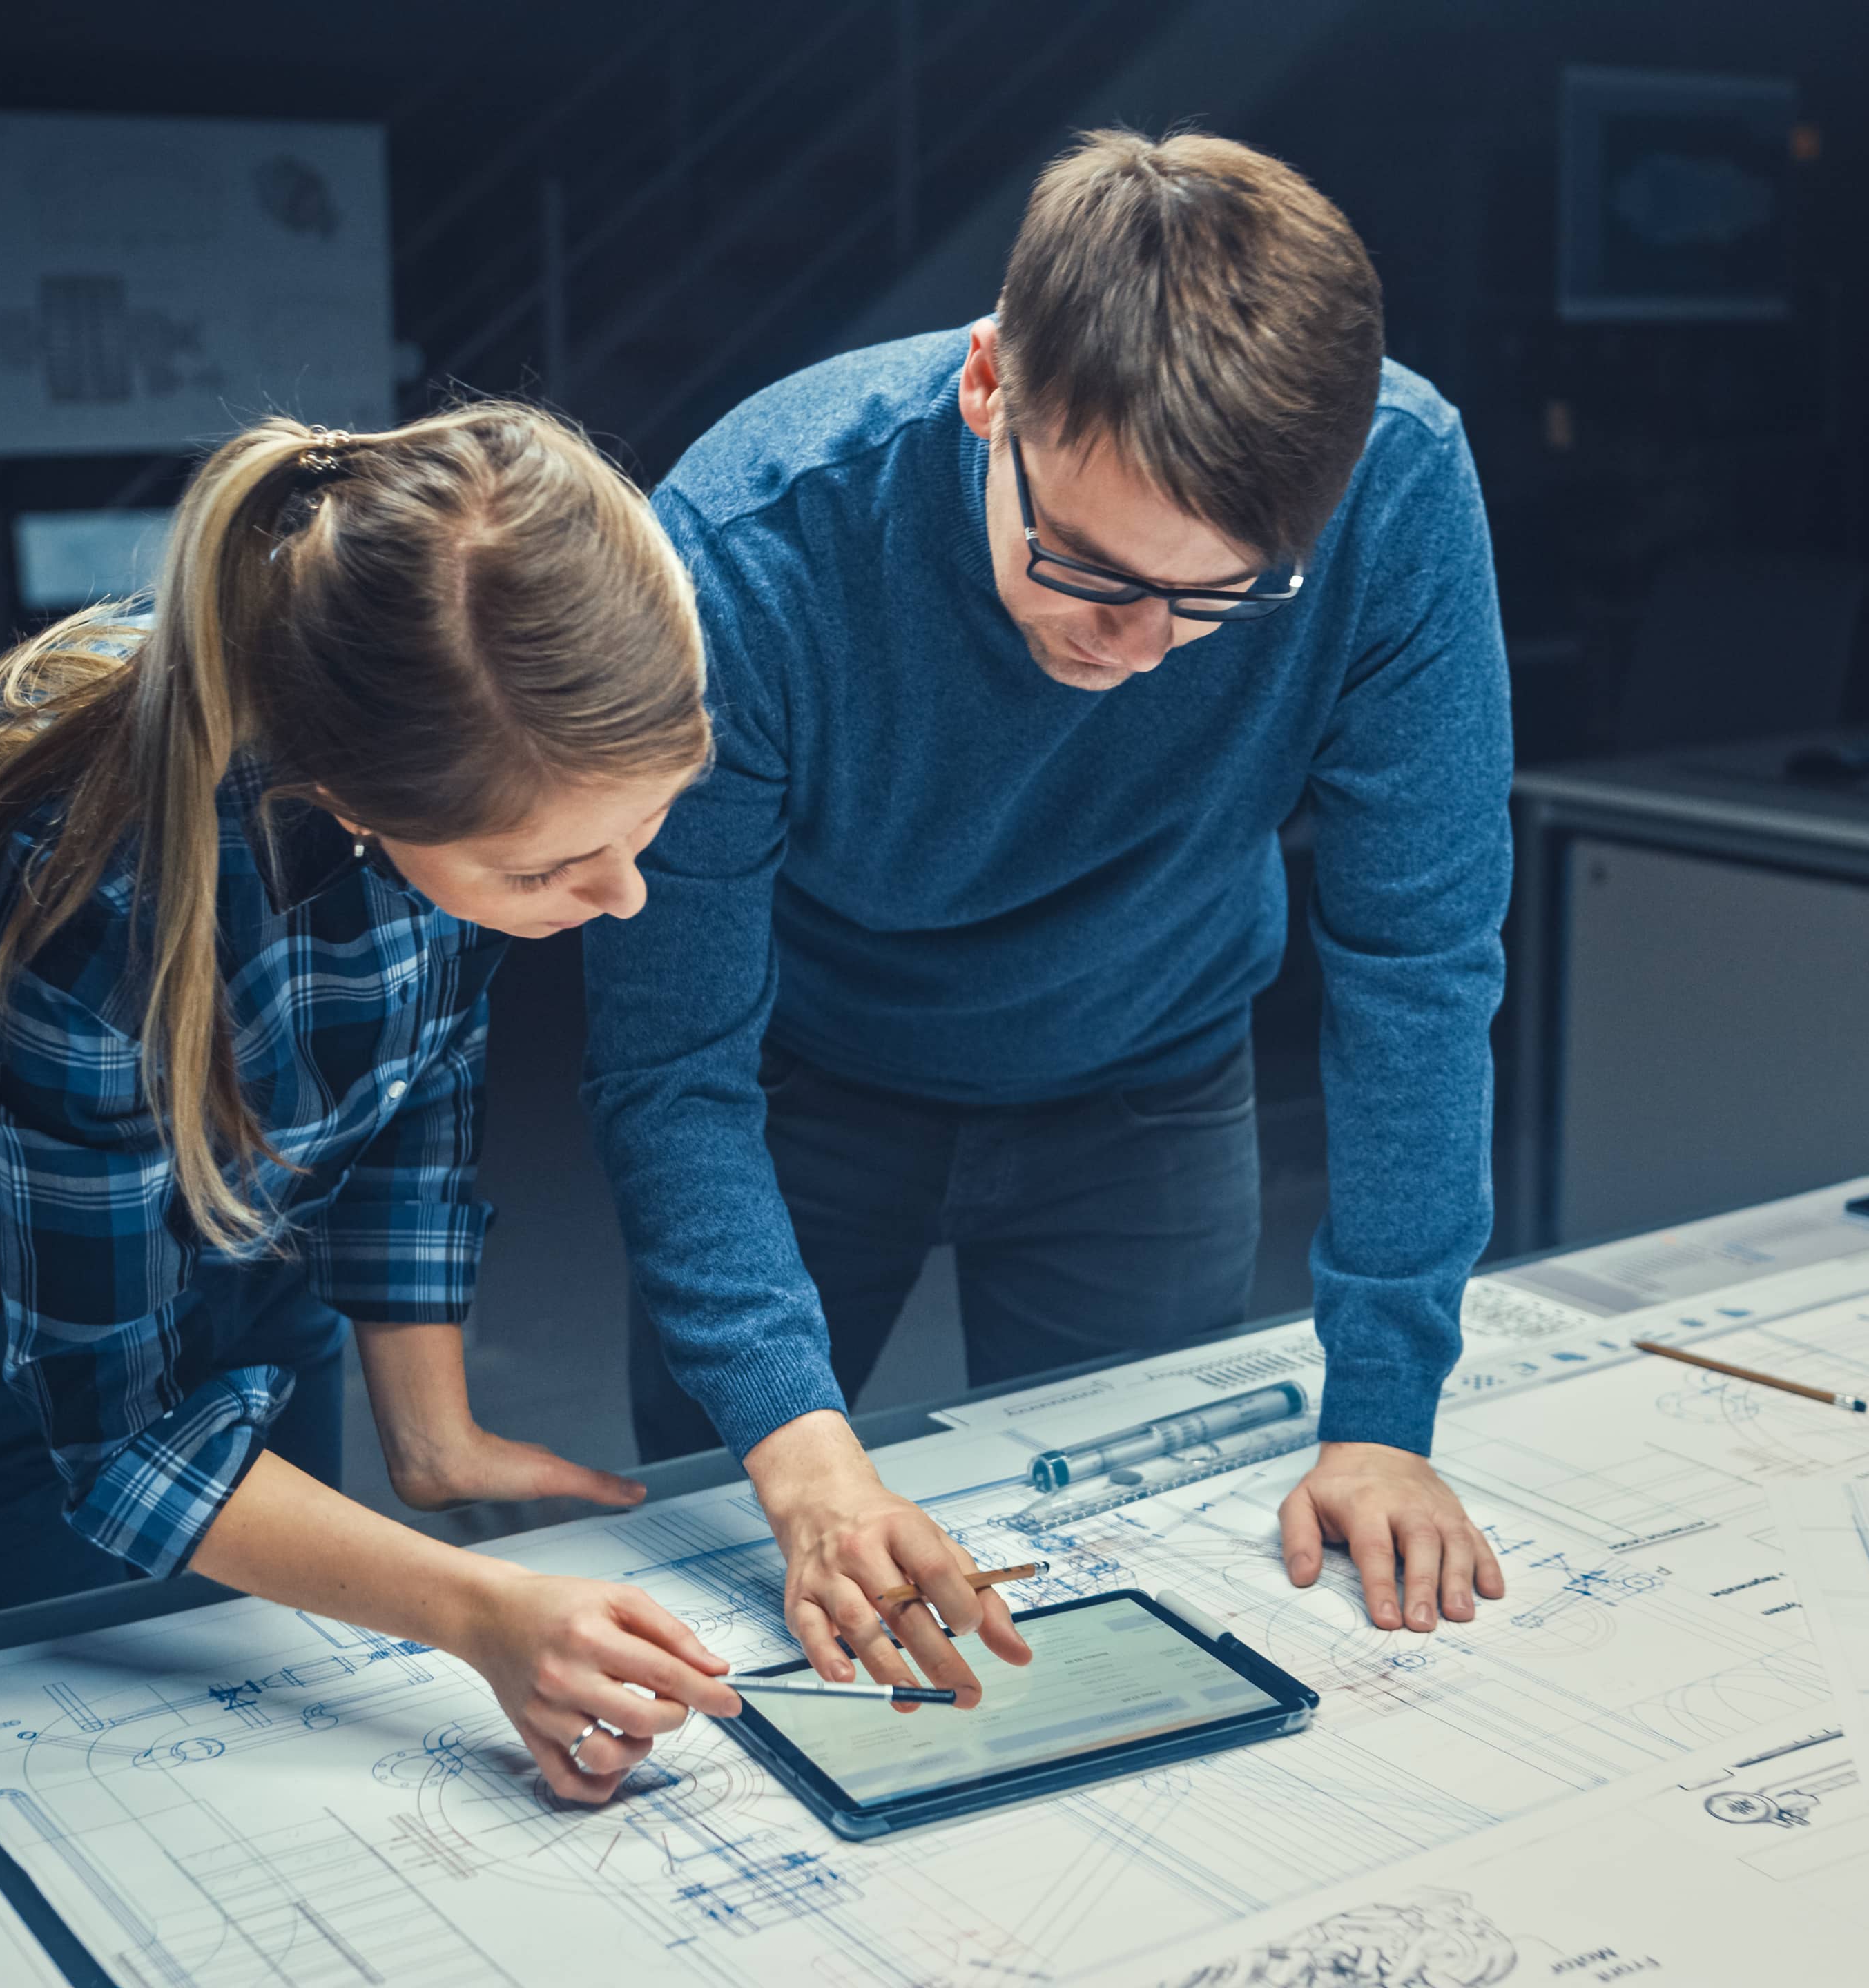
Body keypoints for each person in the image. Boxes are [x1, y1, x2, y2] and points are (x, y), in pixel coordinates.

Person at [585, 129, 1515, 1700]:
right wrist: (808, 1473)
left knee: (1115, 1588)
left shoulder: (1398, 486)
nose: (1143, 645)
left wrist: (1379, 1413)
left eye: (1217, 594)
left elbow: (1416, 961)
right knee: (742, 1589)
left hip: (1147, 1079)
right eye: (1084, 565)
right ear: (987, 387)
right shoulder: (750, 548)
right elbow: (670, 1060)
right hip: (806, 1089)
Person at [0, 406, 740, 1801]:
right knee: (85, 1782)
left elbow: (415, 1067)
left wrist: (430, 1432)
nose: (619, 897)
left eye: (642, 830)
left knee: (276, 1721)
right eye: (546, 873)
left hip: (248, 1219)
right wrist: (478, 1610)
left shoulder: (481, 744)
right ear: (348, 795)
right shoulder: (92, 892)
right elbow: (119, 1438)